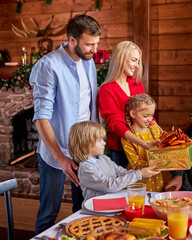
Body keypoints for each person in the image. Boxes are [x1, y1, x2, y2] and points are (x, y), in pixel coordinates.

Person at [29, 14, 101, 234]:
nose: (94, 50)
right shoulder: (48, 66)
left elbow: (89, 107)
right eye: (89, 44)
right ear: (72, 41)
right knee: (49, 213)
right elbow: (41, 118)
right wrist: (61, 157)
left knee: (84, 209)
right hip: (55, 153)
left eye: (96, 44)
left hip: (84, 150)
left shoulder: (88, 62)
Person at [68, 121, 160, 203]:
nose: (104, 143)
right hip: (96, 210)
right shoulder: (86, 168)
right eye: (99, 141)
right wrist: (139, 174)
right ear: (85, 145)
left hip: (112, 204)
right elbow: (109, 185)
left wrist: (143, 172)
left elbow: (122, 173)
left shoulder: (104, 159)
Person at [98, 41, 157, 169]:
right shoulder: (107, 90)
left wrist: (162, 135)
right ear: (121, 58)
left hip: (143, 146)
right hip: (121, 151)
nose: (136, 65)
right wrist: (144, 144)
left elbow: (147, 115)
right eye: (134, 60)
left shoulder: (137, 85)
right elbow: (116, 125)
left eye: (138, 62)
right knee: (126, 187)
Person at [121, 94, 164, 192]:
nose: (150, 119)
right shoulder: (128, 137)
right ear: (133, 114)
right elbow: (135, 163)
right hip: (138, 180)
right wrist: (159, 163)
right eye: (146, 116)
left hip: (156, 178)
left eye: (152, 115)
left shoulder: (155, 129)